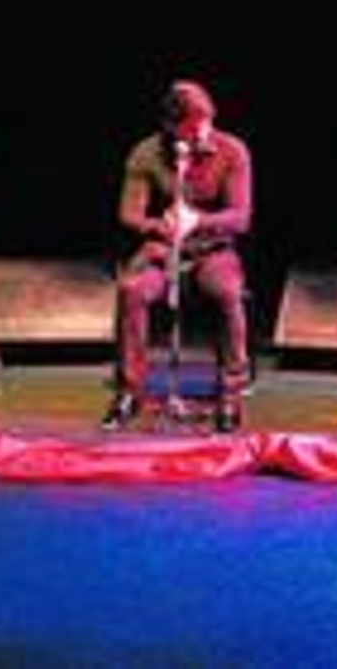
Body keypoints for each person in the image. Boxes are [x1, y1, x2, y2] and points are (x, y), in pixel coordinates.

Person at [102, 79, 253, 434]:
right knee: (132, 290)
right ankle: (129, 391)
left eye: (207, 122)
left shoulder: (232, 151)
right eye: (193, 126)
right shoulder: (146, 153)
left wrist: (198, 221)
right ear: (171, 126)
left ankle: (230, 393)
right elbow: (129, 214)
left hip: (213, 250)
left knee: (227, 291)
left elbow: (241, 217)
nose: (203, 132)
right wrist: (161, 224)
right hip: (163, 249)